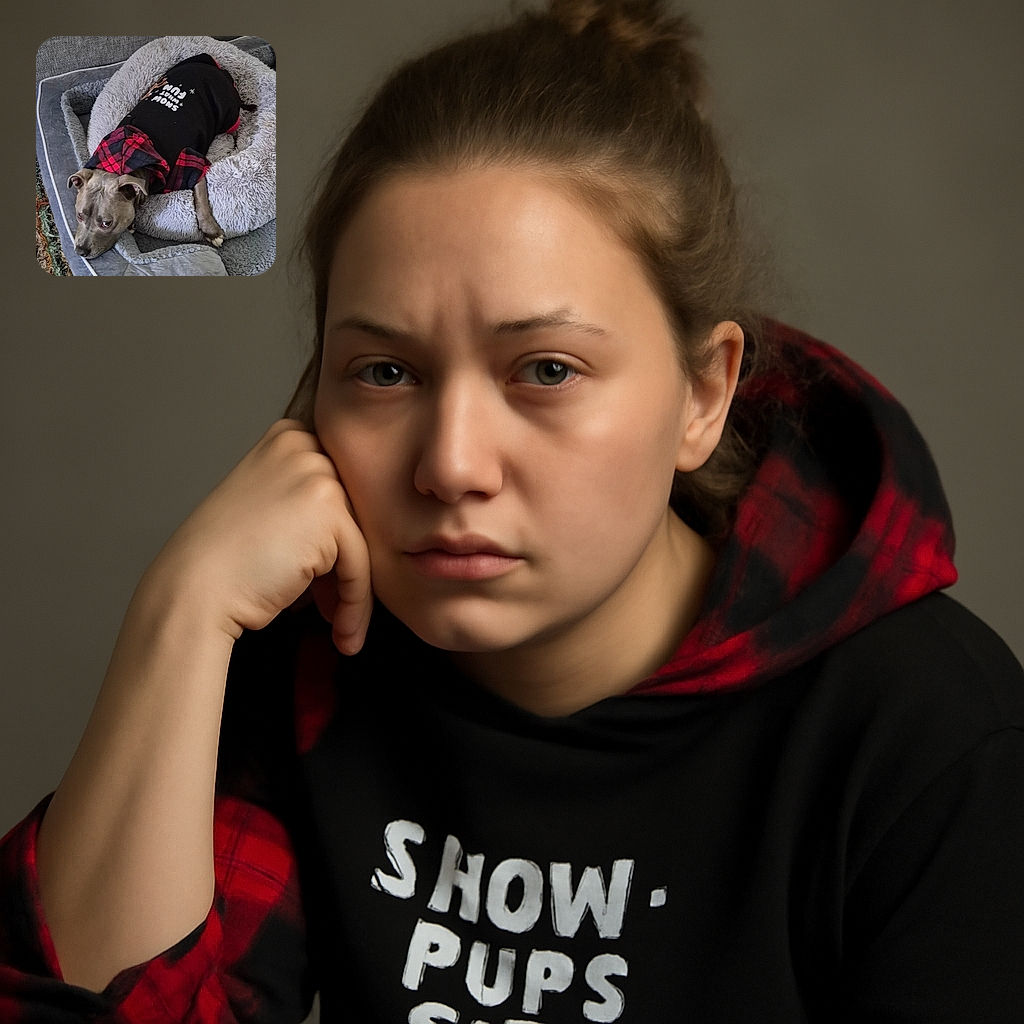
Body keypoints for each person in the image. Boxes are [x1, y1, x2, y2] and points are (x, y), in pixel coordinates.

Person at [3, 0, 1023, 1020]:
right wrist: (179, 613)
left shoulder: (926, 741)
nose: (450, 464)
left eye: (545, 368)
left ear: (703, 396)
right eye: (387, 371)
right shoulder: (299, 665)